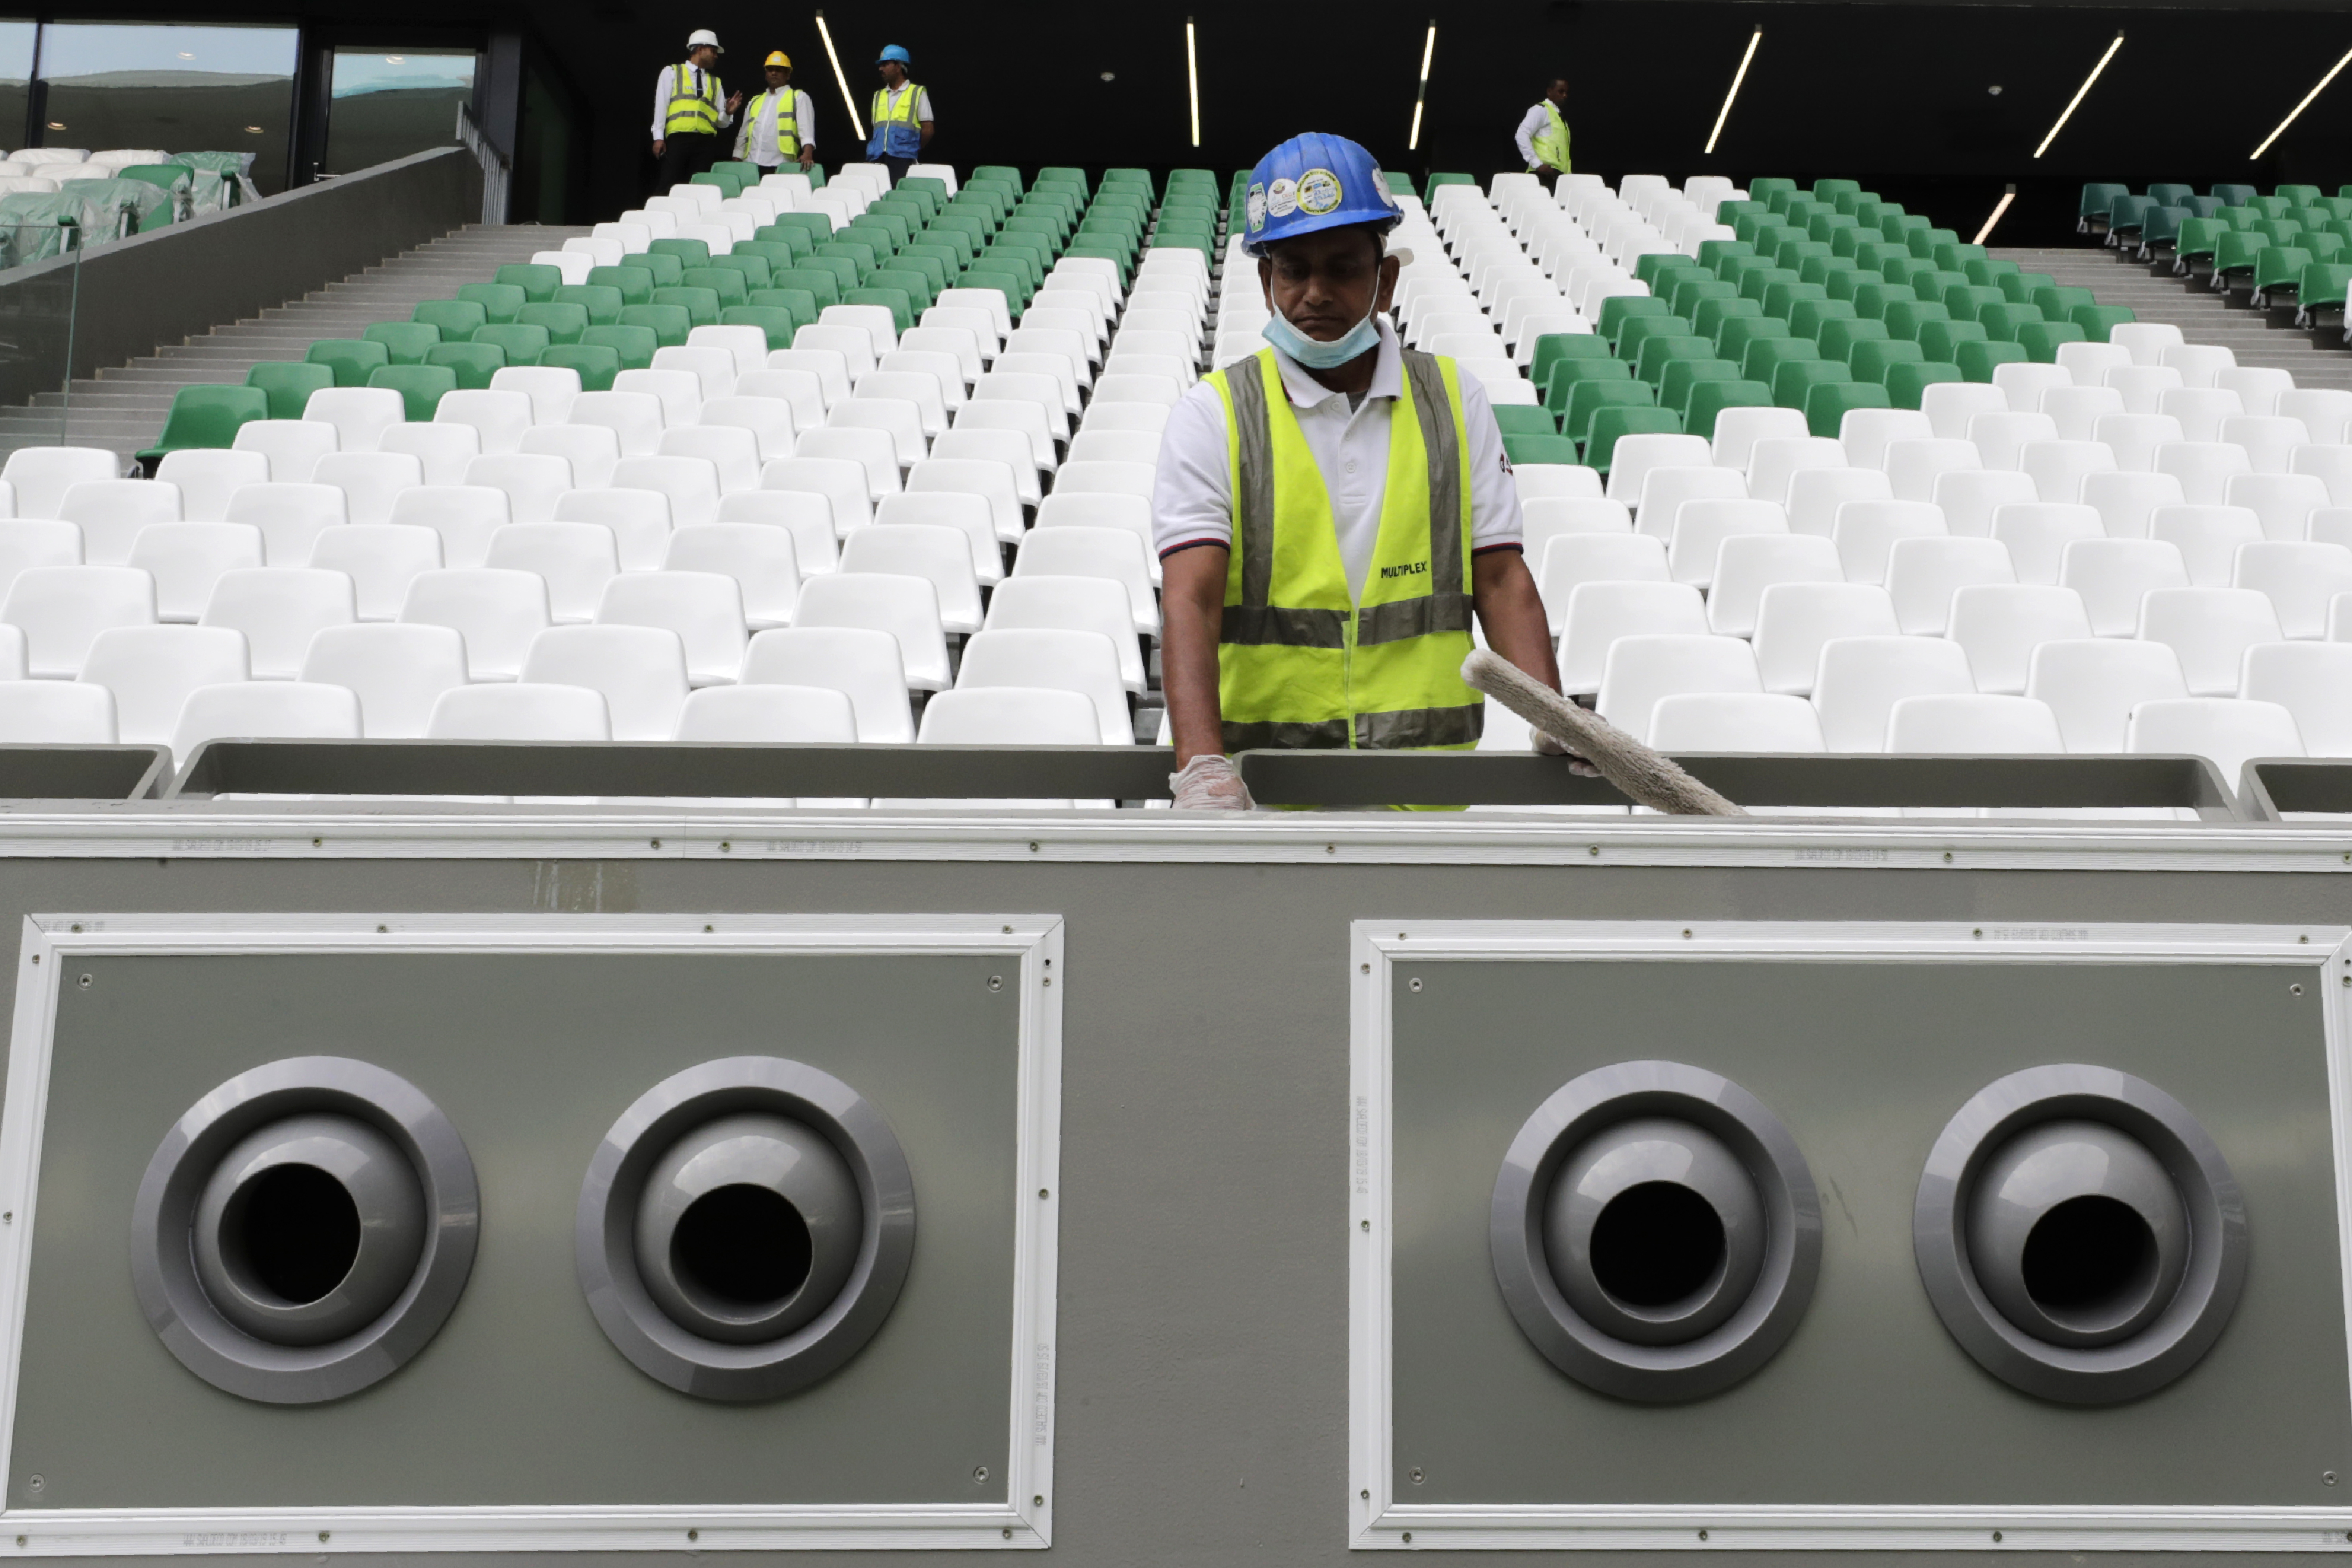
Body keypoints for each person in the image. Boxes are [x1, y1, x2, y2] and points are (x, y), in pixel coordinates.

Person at [1151, 131, 1571, 812]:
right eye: (1293, 269)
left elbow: (1499, 578)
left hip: (1429, 799)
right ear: (1266, 283)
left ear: (1387, 279)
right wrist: (1201, 769)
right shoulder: (1213, 414)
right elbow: (1190, 600)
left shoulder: (1453, 400)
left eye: (1343, 268)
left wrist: (1553, 714)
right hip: (1266, 801)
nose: (1315, 293)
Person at [652, 29, 742, 191]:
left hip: (705, 143)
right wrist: (658, 137)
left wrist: (728, 113)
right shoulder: (672, 72)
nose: (716, 56)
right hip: (678, 139)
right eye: (713, 51)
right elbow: (661, 106)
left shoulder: (716, 83)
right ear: (700, 49)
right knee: (669, 185)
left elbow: (720, 123)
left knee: (699, 187)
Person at [736, 50, 817, 175]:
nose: (774, 73)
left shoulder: (798, 98)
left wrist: (808, 154)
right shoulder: (755, 101)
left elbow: (806, 131)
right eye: (770, 70)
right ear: (766, 74)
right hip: (751, 164)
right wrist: (737, 158)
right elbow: (743, 134)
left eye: (779, 70)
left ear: (788, 75)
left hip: (781, 165)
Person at [865, 44, 933, 182]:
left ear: (899, 67)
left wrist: (912, 148)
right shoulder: (878, 96)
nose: (881, 69)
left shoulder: (917, 92)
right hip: (877, 157)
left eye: (885, 64)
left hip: (903, 159)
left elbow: (928, 130)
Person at [1515, 78, 1572, 190]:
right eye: (1561, 91)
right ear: (1549, 92)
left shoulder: (1561, 119)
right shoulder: (1541, 110)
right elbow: (1522, 134)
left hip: (1559, 177)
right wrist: (1537, 163)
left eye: (1566, 93)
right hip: (1543, 174)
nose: (1565, 96)